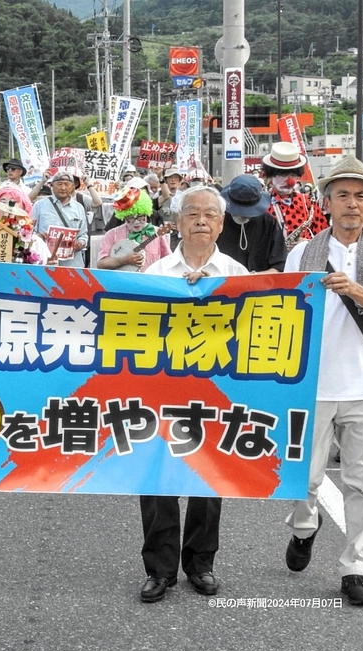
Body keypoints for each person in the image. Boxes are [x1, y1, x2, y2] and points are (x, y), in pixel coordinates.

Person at [283, 155, 363, 606]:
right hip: (312, 386)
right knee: (304, 480)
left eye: (360, 196)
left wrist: (352, 287)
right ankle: (304, 527)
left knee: (361, 483)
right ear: (327, 203)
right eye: (342, 196)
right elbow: (284, 312)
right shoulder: (302, 253)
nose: (352, 204)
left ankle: (355, 568)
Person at [138, 185, 249, 603]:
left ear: (221, 224)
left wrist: (213, 294)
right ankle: (159, 569)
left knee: (208, 476)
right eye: (192, 214)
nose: (201, 221)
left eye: (209, 214)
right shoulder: (156, 274)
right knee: (156, 476)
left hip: (215, 392)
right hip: (161, 390)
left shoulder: (238, 275)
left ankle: (201, 563)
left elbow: (253, 329)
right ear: (177, 222)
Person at [262, 142, 329, 246]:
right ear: (271, 176)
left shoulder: (308, 202)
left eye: (293, 175)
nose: (290, 181)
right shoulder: (261, 204)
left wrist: (307, 243)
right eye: (283, 175)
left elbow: (324, 238)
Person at [217, 174, 287, 273]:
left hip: (261, 281)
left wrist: (252, 277)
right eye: (238, 211)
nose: (242, 215)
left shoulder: (269, 223)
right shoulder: (216, 222)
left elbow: (279, 266)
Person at [97, 185, 170, 272]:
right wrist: (124, 260)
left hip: (151, 279)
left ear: (146, 214)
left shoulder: (157, 233)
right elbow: (101, 264)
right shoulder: (112, 234)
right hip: (122, 279)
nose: (136, 222)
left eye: (140, 216)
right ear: (124, 216)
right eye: (131, 217)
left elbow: (169, 261)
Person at [30, 171, 89, 268]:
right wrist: (38, 237)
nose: (63, 188)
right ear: (52, 186)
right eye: (59, 184)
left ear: (73, 187)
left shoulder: (79, 208)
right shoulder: (39, 205)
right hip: (45, 262)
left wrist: (81, 243)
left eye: (67, 184)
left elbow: (83, 234)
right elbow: (29, 233)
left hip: (72, 264)